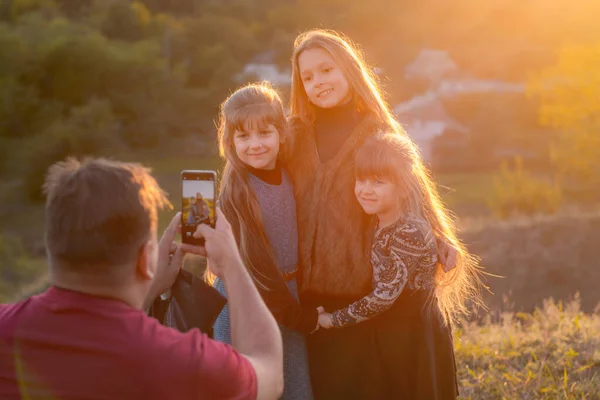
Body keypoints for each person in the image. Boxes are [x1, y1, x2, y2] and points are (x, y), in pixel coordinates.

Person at [0, 157, 283, 400]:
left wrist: (150, 288)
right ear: (145, 258)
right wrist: (232, 264)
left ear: (52, 247)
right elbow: (268, 373)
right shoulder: (182, 361)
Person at [284, 29, 462, 398]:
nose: (319, 81)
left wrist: (440, 236)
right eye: (308, 77)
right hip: (308, 295)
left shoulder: (376, 129)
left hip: (362, 290)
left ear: (348, 69)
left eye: (326, 70)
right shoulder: (295, 135)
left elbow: (411, 190)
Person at [315, 132, 483, 398]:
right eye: (361, 180)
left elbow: (384, 296)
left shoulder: (409, 232)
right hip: (391, 331)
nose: (365, 189)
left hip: (412, 333)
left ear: (403, 188)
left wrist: (332, 320)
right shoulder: (377, 220)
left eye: (378, 182)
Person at [209, 82, 316, 400]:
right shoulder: (237, 192)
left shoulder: (289, 173)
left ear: (281, 134)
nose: (255, 144)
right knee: (249, 390)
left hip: (287, 297)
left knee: (296, 389)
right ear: (230, 141)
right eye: (243, 136)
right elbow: (255, 264)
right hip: (245, 302)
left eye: (264, 133)